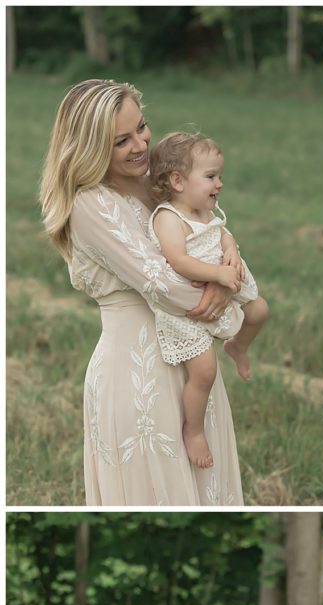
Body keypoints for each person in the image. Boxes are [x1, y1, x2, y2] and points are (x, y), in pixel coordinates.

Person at [38, 79, 244, 504]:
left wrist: (233, 257)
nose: (140, 144)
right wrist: (227, 297)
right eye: (120, 141)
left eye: (142, 128)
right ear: (90, 147)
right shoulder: (91, 205)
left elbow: (210, 234)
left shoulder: (161, 183)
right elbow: (165, 286)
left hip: (193, 363)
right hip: (140, 374)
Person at [148, 131, 270, 469]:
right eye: (211, 176)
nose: (220, 184)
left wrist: (230, 250)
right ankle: (194, 430)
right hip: (189, 305)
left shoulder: (206, 211)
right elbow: (178, 260)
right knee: (204, 371)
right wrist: (217, 275)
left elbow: (224, 234)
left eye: (220, 176)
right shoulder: (169, 218)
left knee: (260, 310)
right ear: (177, 180)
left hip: (227, 278)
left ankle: (238, 346)